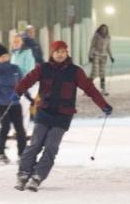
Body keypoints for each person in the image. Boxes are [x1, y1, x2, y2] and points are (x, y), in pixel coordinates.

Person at [12, 40, 113, 192]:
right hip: (44, 112)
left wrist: (103, 105)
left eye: (63, 52)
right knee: (35, 144)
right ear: (52, 53)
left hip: (63, 115)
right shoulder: (43, 68)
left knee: (51, 146)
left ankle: (37, 176)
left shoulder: (75, 71)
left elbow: (89, 88)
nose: (60, 54)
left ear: (67, 53)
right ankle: (24, 173)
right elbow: (28, 80)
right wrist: (17, 92)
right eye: (57, 51)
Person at [0, 41, 28, 166]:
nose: (4, 58)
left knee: (20, 129)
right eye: (1, 57)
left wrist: (27, 95)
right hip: (0, 104)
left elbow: (22, 83)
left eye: (6, 56)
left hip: (14, 104)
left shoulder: (15, 69)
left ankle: (23, 154)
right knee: (5, 127)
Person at [87, 24, 115, 94]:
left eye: (105, 29)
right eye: (102, 29)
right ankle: (87, 88)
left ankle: (103, 89)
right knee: (94, 72)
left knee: (102, 73)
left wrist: (111, 56)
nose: (104, 30)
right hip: (96, 55)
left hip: (104, 56)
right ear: (100, 29)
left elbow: (108, 48)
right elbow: (92, 46)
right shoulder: (96, 36)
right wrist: (90, 55)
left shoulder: (108, 37)